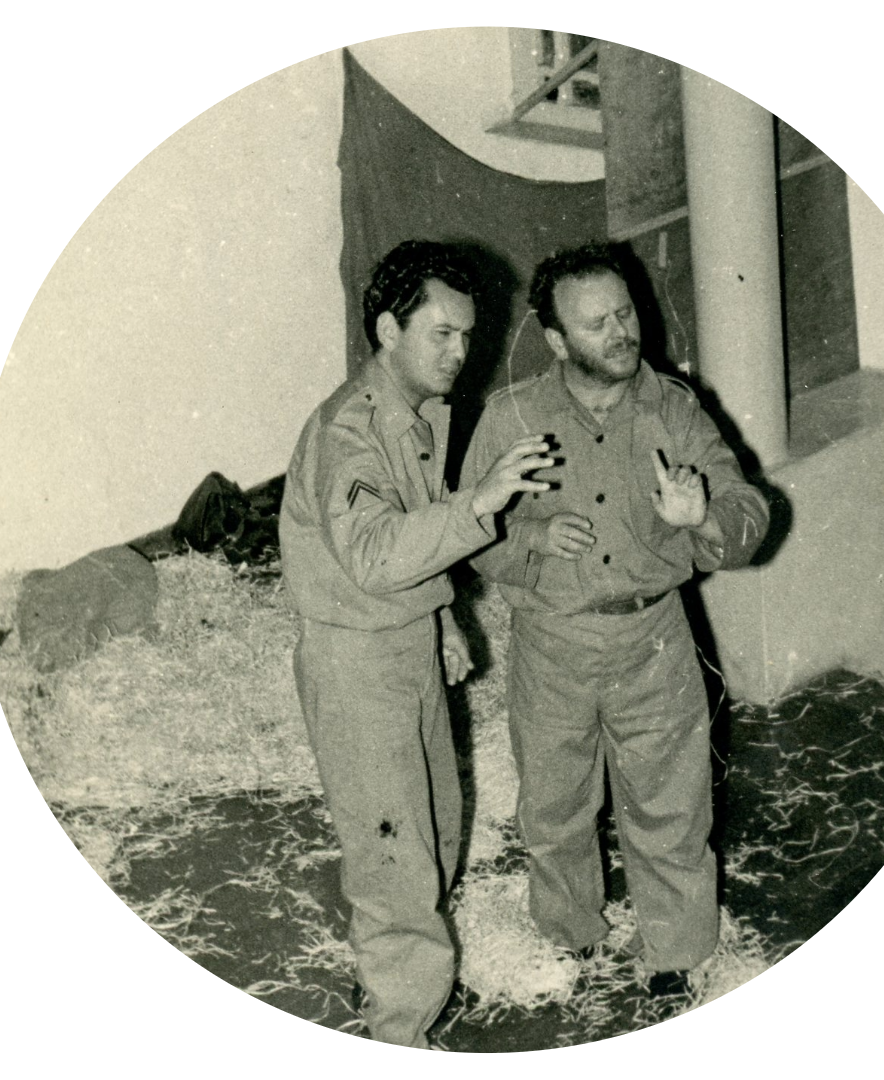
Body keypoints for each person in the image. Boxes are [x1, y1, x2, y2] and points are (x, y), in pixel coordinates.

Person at [459, 242, 769, 997]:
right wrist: (532, 540)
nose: (620, 332)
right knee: (555, 806)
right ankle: (570, 936)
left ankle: (678, 952)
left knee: (672, 805)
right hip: (551, 646)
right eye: (595, 324)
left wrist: (704, 517)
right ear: (557, 340)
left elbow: (751, 514)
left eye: (625, 313)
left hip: (654, 640)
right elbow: (468, 533)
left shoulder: (675, 409)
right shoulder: (512, 416)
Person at [278, 240, 554, 1048]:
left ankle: (400, 976)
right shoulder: (350, 432)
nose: (460, 353)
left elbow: (412, 539)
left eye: (467, 335)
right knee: (393, 860)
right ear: (388, 330)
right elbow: (373, 553)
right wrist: (482, 501)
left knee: (434, 825)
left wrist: (443, 620)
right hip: (356, 662)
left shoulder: (420, 410)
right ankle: (401, 1030)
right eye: (441, 334)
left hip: (404, 640)